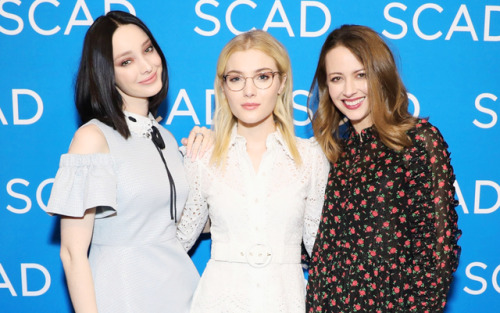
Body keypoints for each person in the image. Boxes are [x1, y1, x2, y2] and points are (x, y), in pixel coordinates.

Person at [44, 11, 207, 313]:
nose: (146, 66)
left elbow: (187, 222)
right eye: (126, 61)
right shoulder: (93, 138)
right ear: (107, 73)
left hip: (182, 292)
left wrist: (210, 164)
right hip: (123, 294)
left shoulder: (167, 139)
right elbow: (71, 252)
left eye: (148, 49)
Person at [305, 24, 461, 312]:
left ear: (381, 74)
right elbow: (319, 248)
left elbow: (436, 263)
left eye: (361, 75)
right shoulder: (335, 151)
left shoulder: (417, 142)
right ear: (327, 86)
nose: (349, 90)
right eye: (337, 78)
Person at [176, 30, 330, 313]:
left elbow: (322, 250)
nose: (249, 91)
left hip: (287, 301)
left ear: (282, 82)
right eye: (235, 78)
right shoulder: (202, 157)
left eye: (262, 77)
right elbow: (176, 241)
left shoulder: (311, 158)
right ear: (222, 87)